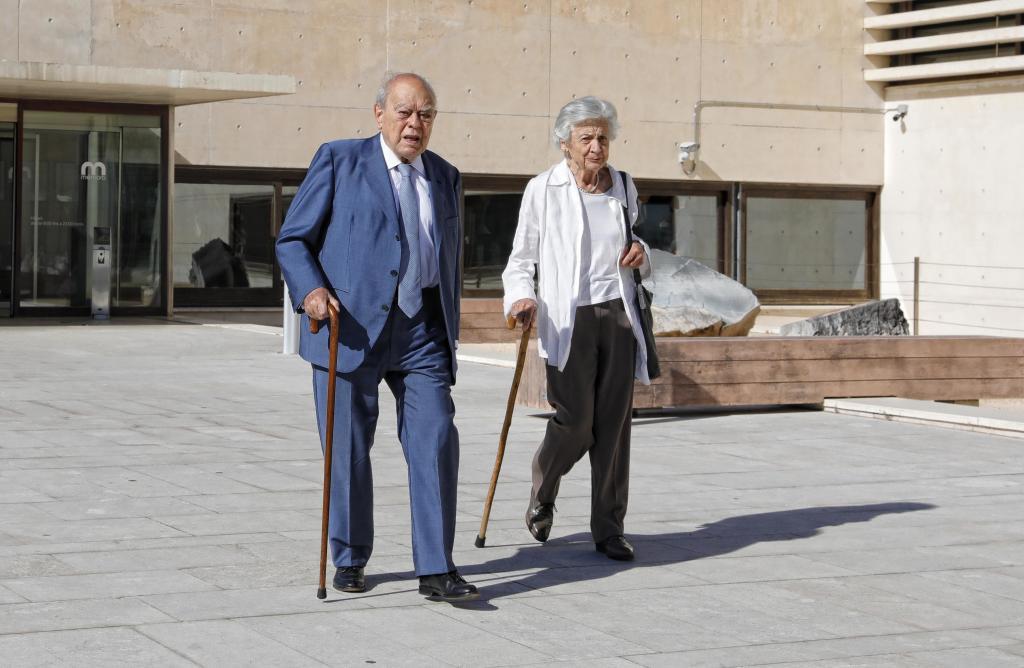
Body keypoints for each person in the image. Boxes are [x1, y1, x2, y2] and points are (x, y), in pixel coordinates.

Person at [276, 72, 477, 602]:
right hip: (350, 327)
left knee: (435, 440)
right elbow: (293, 240)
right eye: (406, 112)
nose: (416, 124)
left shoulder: (446, 175)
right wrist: (311, 291)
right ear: (379, 114)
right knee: (348, 451)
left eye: (426, 114)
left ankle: (436, 567)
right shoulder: (340, 161)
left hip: (422, 331)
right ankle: (349, 556)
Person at [502, 96, 652, 562]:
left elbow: (635, 239)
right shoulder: (542, 189)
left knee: (614, 427)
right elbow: (520, 259)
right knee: (575, 422)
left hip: (618, 313)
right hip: (568, 318)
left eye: (603, 137)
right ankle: (543, 487)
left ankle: (609, 527)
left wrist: (641, 252)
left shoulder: (623, 186)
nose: (596, 147)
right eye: (586, 138)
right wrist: (522, 297)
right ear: (565, 143)